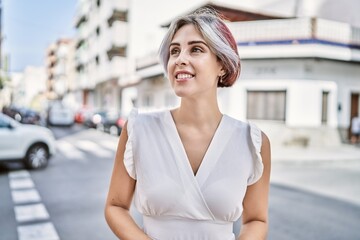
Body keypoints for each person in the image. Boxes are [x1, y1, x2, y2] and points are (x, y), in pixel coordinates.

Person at [105, 8, 271, 240]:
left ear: (222, 64)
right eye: (174, 51)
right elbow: (115, 207)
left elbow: (256, 220)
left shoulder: (252, 142)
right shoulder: (138, 130)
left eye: (196, 49)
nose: (180, 59)